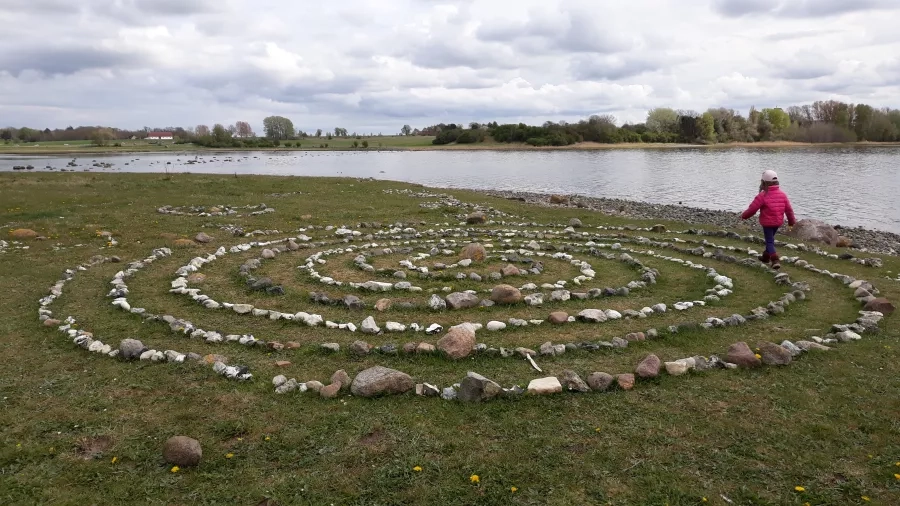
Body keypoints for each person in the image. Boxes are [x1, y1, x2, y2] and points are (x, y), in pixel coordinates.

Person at [740, 169, 796, 269]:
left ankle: (775, 260)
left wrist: (744, 216)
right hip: (777, 222)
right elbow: (789, 210)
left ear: (764, 182)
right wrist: (791, 222)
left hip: (767, 223)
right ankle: (765, 257)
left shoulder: (762, 195)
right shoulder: (782, 195)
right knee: (770, 240)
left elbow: (752, 209)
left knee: (769, 242)